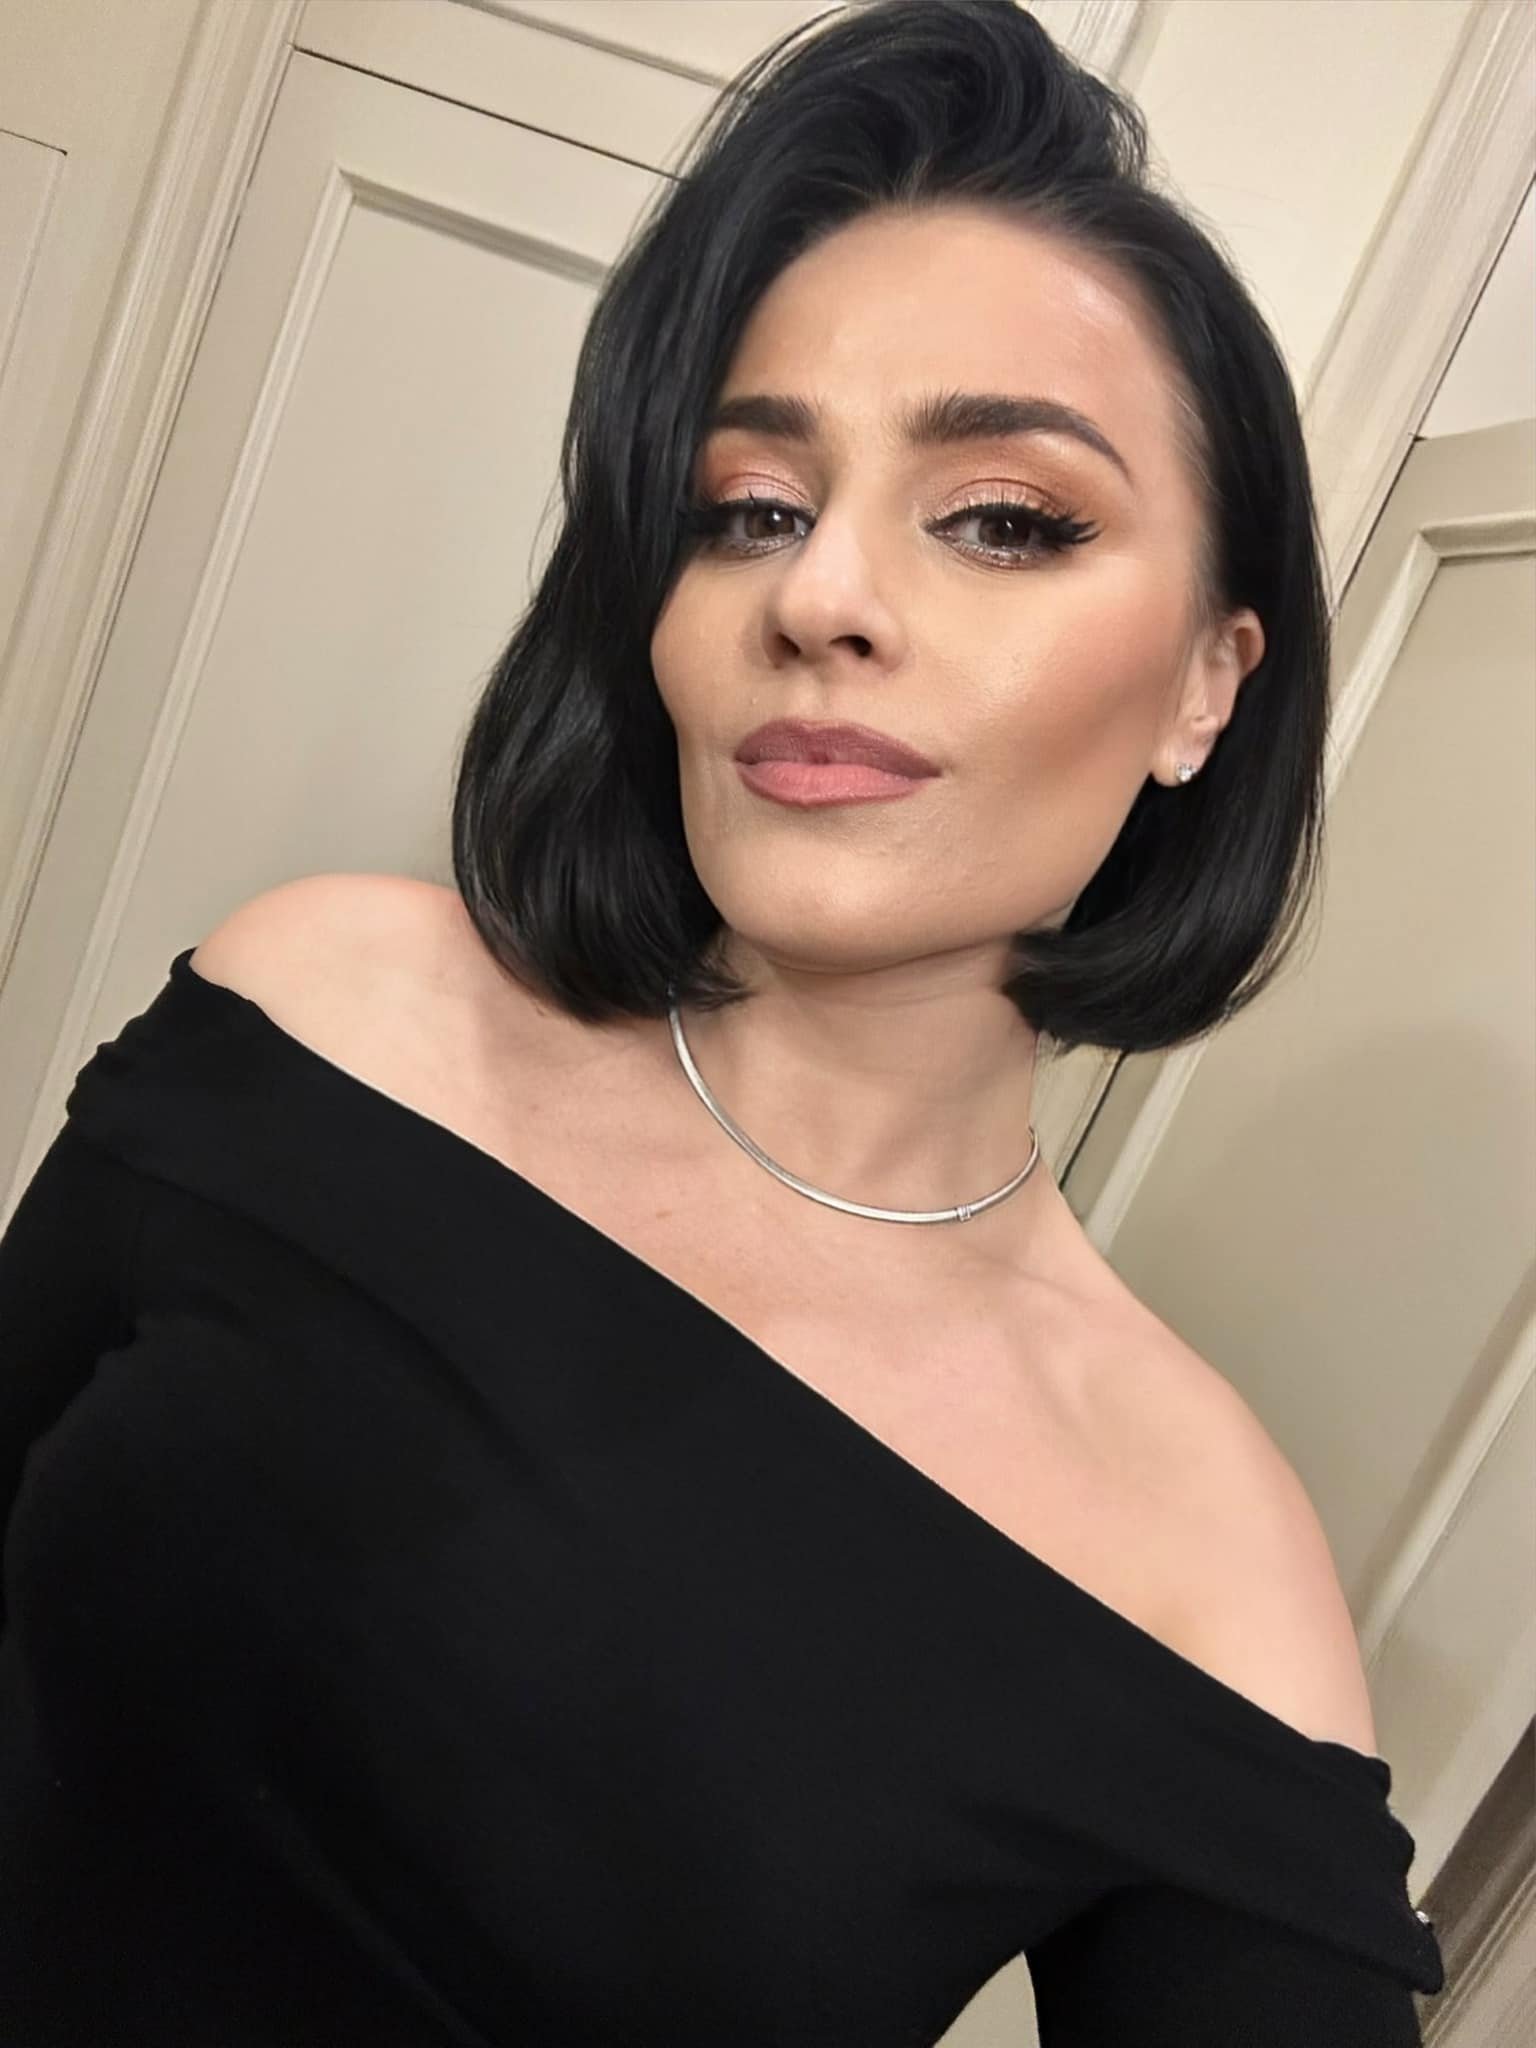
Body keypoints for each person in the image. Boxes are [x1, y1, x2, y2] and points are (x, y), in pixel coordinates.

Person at [0, 0, 1445, 2040]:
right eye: (750, 505)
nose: (819, 594)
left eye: (1005, 518)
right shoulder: (322, 1005)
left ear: (1210, 682)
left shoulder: (1198, 1563)